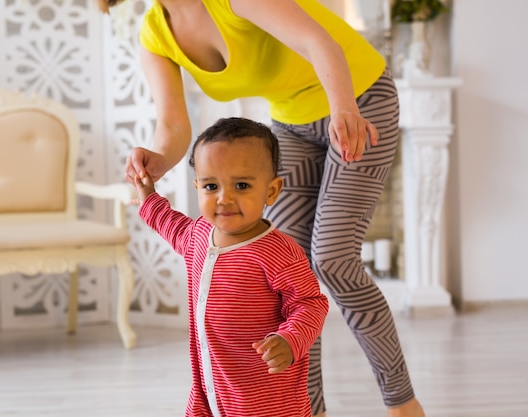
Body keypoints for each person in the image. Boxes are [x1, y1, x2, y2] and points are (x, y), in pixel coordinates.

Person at [99, 0, 426, 416]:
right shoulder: (156, 35)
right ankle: (308, 408)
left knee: (332, 259)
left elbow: (318, 40)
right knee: (289, 273)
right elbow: (174, 126)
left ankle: (403, 404)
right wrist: (157, 159)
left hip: (357, 95)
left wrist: (344, 108)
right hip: (291, 121)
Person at [133, 116, 330, 416]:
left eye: (241, 185)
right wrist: (148, 196)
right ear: (197, 187)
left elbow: (310, 304)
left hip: (266, 400)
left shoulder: (279, 252)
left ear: (271, 191)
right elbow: (168, 222)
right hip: (210, 389)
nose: (224, 198)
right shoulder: (197, 234)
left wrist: (290, 340)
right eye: (211, 186)